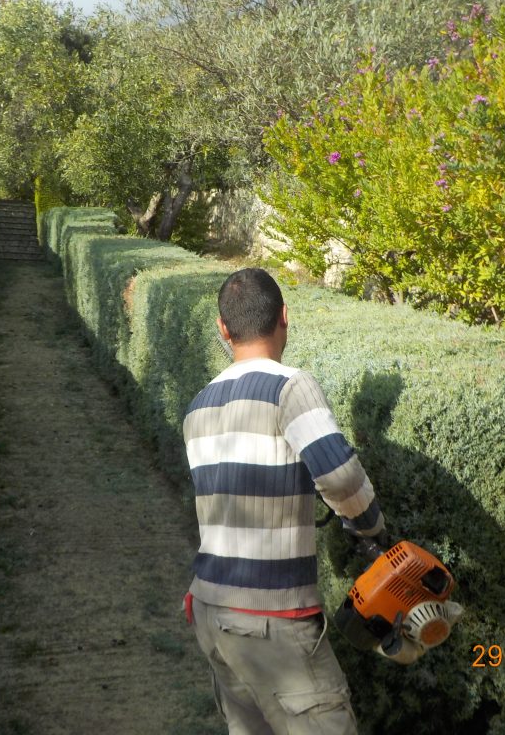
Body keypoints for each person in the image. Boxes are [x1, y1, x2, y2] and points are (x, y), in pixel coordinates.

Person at [182, 267, 387, 735]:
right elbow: (340, 476)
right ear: (284, 317)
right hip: (271, 619)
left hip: (211, 611)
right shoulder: (289, 387)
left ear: (223, 329)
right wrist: (371, 529)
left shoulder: (198, 406)